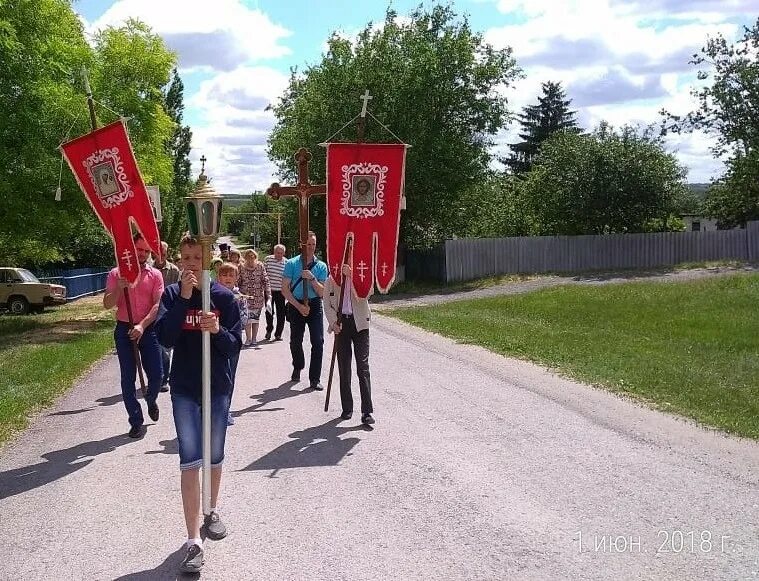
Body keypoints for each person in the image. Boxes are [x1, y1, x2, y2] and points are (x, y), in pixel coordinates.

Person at [156, 234, 242, 574]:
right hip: (185, 389)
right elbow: (165, 338)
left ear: (208, 260)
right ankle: (193, 541)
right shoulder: (173, 294)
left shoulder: (224, 297)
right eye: (186, 257)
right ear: (180, 259)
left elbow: (234, 346)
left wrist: (218, 330)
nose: (191, 263)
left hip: (217, 388)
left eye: (197, 257)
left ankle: (211, 510)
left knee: (214, 455)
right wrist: (185, 300)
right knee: (189, 460)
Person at [103, 233, 164, 438]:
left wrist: (142, 325)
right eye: (139, 249)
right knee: (127, 377)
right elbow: (107, 304)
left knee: (157, 374)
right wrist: (119, 289)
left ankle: (151, 399)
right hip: (123, 328)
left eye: (147, 251)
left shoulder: (155, 274)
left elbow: (158, 304)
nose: (143, 254)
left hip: (147, 328)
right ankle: (136, 420)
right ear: (131, 248)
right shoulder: (116, 274)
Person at [324, 263, 375, 424]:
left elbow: (368, 293)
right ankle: (347, 408)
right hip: (342, 325)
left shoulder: (360, 272)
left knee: (363, 367)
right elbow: (327, 304)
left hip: (360, 324)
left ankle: (366, 411)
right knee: (344, 368)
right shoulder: (331, 279)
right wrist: (333, 322)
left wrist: (352, 277)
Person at [281, 231, 328, 390]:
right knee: (295, 340)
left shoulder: (321, 266)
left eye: (314, 244)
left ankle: (315, 378)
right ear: (303, 245)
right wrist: (298, 306)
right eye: (308, 244)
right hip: (296, 304)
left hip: (314, 305)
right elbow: (285, 289)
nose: (311, 247)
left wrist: (312, 278)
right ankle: (298, 365)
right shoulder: (292, 264)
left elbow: (322, 293)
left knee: (318, 341)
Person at [216, 261, 248, 426]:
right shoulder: (212, 294)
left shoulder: (240, 297)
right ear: (218, 277)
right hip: (215, 341)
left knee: (229, 376)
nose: (227, 278)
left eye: (231, 275)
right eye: (224, 274)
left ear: (236, 278)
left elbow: (244, 319)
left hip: (233, 341)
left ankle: (225, 410)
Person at [153, 241, 181, 392]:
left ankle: (164, 379)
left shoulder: (174, 270)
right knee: (154, 348)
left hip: (168, 313)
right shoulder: (148, 270)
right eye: (156, 253)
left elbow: (178, 291)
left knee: (165, 349)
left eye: (162, 253)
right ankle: (157, 376)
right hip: (152, 313)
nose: (159, 256)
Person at [238, 249, 270, 347]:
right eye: (248, 256)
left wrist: (268, 294)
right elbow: (237, 280)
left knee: (255, 319)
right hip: (245, 297)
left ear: (256, 257)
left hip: (258, 297)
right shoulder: (241, 267)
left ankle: (254, 338)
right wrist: (237, 293)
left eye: (253, 256)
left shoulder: (260, 266)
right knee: (247, 319)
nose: (251, 258)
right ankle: (248, 338)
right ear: (245, 257)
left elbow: (266, 280)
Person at [263, 244, 287, 341]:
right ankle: (269, 329)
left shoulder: (287, 262)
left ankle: (278, 334)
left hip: (281, 291)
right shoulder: (268, 259)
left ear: (284, 253)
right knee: (269, 311)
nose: (279, 255)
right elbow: (263, 274)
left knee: (281, 313)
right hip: (269, 291)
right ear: (274, 252)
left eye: (281, 253)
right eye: (277, 253)